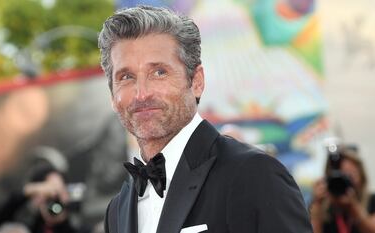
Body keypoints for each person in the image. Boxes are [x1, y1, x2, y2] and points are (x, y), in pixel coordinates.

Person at [98, 5, 312, 233]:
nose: (142, 93)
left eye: (159, 72)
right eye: (126, 76)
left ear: (197, 82)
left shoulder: (255, 176)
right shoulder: (117, 210)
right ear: (113, 96)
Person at [310, 145, 375, 233]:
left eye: (350, 175)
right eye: (340, 176)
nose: (342, 182)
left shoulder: (372, 201)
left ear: (361, 176)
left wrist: (353, 206)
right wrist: (317, 204)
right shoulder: (323, 207)